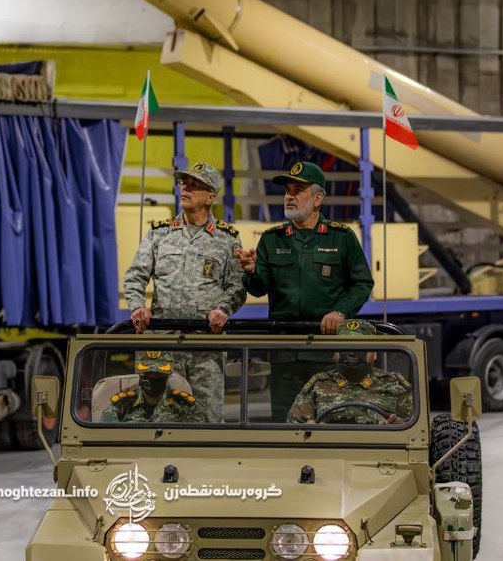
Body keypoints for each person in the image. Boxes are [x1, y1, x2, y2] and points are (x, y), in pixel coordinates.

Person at [123, 161, 245, 422]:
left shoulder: (227, 239)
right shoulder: (159, 234)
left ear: (210, 197)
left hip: (205, 348)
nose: (185, 188)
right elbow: (135, 275)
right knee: (156, 419)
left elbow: (237, 286)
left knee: (209, 420)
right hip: (162, 347)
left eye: (194, 185)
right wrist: (137, 306)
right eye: (183, 183)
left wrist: (223, 309)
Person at [237, 160, 374, 334]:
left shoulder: (341, 237)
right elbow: (258, 290)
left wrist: (341, 311)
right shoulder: (272, 239)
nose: (289, 196)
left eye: (298, 190)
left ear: (318, 199)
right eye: (287, 190)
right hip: (283, 340)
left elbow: (362, 284)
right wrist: (252, 272)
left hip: (326, 339)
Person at [286, 331, 413, 425]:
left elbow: (415, 430)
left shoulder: (394, 384)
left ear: (374, 354)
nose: (352, 353)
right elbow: (294, 427)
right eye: (345, 347)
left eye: (360, 348)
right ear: (335, 354)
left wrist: (396, 425)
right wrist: (310, 426)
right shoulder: (319, 383)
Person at [101, 351, 208, 423]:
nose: (153, 377)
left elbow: (198, 440)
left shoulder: (185, 406)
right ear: (140, 374)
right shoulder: (121, 405)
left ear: (168, 375)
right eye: (148, 374)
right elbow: (105, 438)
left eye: (158, 374)